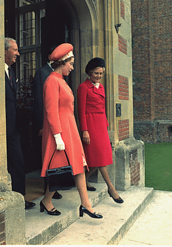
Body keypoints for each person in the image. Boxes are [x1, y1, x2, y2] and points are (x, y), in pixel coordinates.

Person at [40, 43, 102, 218]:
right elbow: (51, 111)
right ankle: (47, 200)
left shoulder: (61, 81)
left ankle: (86, 204)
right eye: (71, 63)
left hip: (70, 130)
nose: (73, 67)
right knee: (61, 168)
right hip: (59, 132)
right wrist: (58, 136)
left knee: (79, 166)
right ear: (62, 62)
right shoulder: (52, 81)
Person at [77, 57, 124, 204]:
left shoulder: (101, 87)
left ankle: (82, 180)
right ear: (90, 72)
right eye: (96, 73)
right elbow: (81, 111)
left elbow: (103, 108)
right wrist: (84, 130)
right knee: (99, 158)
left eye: (101, 73)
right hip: (90, 125)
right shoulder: (83, 87)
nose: (99, 76)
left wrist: (105, 125)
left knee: (100, 157)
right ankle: (111, 188)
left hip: (101, 125)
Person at [5, 37, 36, 209]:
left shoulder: (11, 72)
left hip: (13, 129)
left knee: (18, 163)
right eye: (15, 50)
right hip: (1, 129)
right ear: (4, 50)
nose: (18, 53)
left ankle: (20, 199)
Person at [33, 46, 62, 200]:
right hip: (45, 121)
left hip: (58, 121)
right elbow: (39, 101)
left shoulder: (61, 73)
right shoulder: (41, 72)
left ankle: (54, 188)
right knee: (47, 156)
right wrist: (40, 125)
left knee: (56, 157)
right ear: (50, 55)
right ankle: (47, 190)